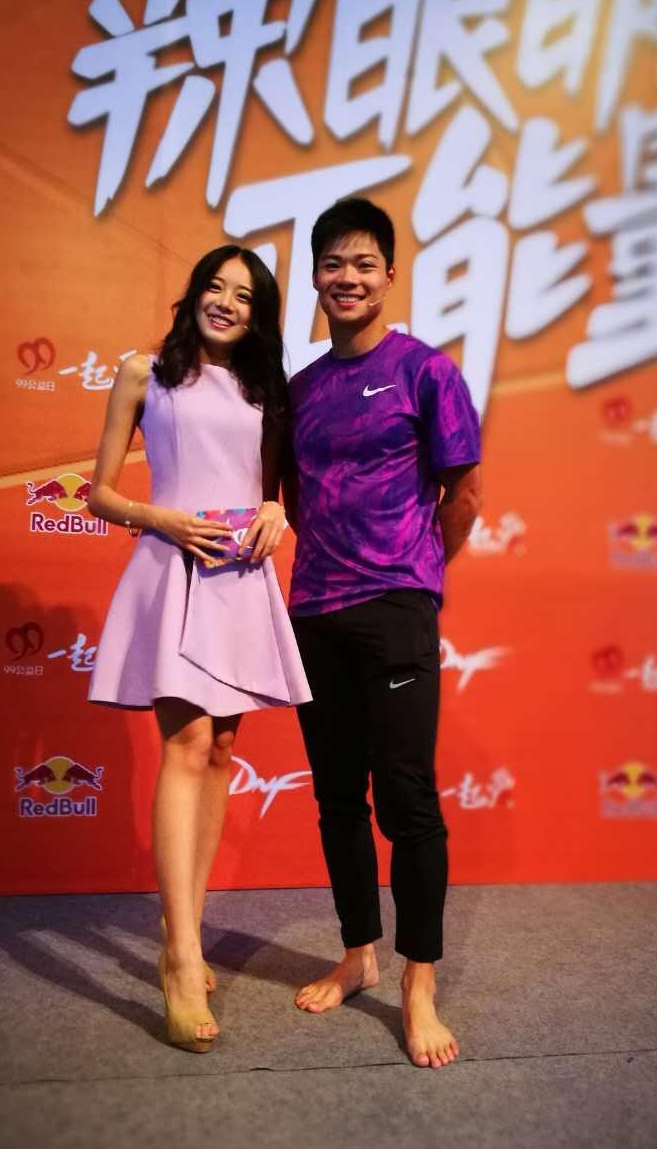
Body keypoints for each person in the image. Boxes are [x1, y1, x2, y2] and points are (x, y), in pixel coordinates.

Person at [87, 245, 311, 1053]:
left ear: (259, 315)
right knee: (184, 745)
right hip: (173, 568)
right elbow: (98, 492)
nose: (225, 302)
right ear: (193, 296)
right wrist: (161, 518)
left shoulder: (267, 388)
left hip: (240, 580)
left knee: (219, 752)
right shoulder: (142, 372)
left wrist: (276, 512)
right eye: (215, 287)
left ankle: (186, 923)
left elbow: (271, 492)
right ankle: (181, 957)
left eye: (243, 296)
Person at [283, 198, 482, 1069]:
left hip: (397, 605)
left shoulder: (426, 372)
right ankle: (358, 953)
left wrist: (418, 573)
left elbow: (463, 493)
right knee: (337, 798)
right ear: (315, 278)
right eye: (333, 263)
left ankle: (417, 983)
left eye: (364, 263)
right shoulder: (299, 391)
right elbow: (293, 498)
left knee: (407, 801)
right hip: (314, 611)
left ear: (390, 275)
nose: (348, 277)